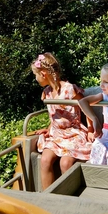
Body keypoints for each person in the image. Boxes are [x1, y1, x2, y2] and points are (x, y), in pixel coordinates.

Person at [32, 52, 92, 190]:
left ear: (43, 74)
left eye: (36, 75)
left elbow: (86, 108)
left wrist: (91, 130)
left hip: (73, 133)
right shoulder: (47, 92)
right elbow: (54, 115)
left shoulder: (69, 89)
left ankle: (68, 197)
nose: (36, 79)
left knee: (65, 163)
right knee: (45, 160)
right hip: (56, 134)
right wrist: (49, 128)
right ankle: (48, 197)